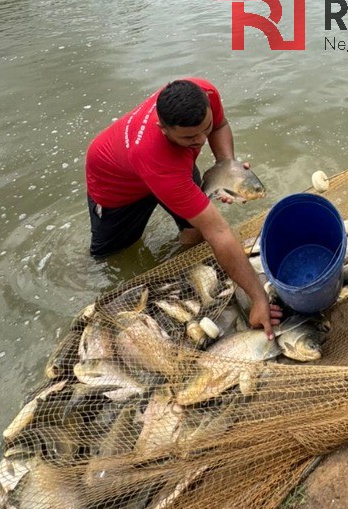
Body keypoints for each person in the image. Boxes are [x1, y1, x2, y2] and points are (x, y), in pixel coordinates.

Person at [85, 77, 280, 337]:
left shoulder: (203, 91)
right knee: (110, 256)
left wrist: (227, 167)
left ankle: (184, 263)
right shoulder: (161, 163)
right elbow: (219, 232)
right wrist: (258, 299)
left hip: (173, 164)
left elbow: (219, 124)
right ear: (163, 129)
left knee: (196, 231)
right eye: (190, 137)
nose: (201, 140)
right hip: (117, 188)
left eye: (204, 129)